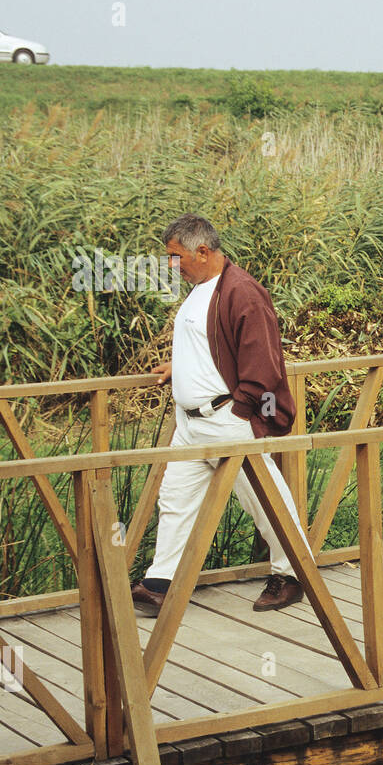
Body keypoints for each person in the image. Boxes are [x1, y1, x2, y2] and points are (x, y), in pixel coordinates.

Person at [130, 213, 308, 615]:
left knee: (264, 501)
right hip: (191, 425)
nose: (171, 265)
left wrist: (242, 413)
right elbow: (212, 339)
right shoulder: (201, 287)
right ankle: (161, 584)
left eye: (176, 257)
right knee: (175, 500)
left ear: (203, 251)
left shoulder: (243, 292)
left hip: (226, 420)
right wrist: (181, 366)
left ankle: (293, 575)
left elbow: (263, 362)